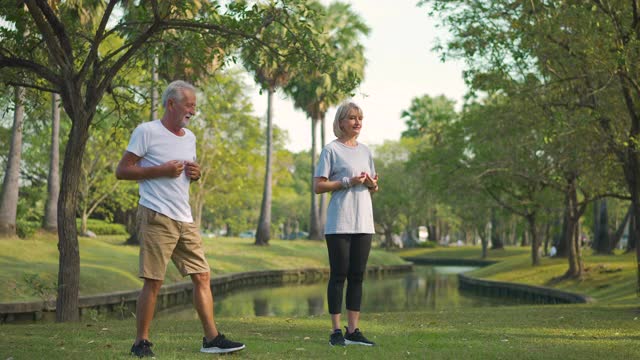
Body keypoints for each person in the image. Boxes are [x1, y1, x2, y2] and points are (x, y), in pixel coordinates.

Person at [116, 80, 245, 357]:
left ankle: (211, 339)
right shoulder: (146, 131)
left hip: (184, 217)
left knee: (202, 275)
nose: (193, 111)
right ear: (171, 104)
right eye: (189, 105)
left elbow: (185, 176)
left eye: (195, 107)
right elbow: (123, 170)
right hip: (157, 214)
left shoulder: (190, 137)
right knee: (154, 280)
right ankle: (141, 342)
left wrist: (195, 175)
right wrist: (160, 170)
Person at [313, 101, 379, 347]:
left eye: (360, 118)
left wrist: (371, 184)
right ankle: (335, 332)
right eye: (352, 118)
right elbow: (319, 186)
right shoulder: (331, 150)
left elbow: (373, 187)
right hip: (339, 222)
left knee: (357, 276)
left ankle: (353, 331)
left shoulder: (366, 151)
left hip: (364, 222)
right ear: (341, 122)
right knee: (338, 275)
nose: (357, 122)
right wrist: (347, 182)